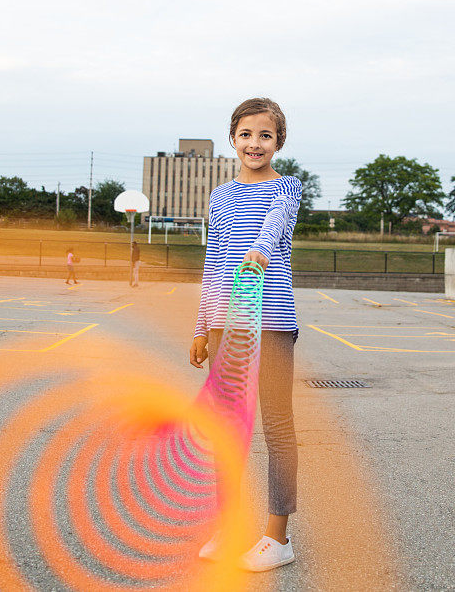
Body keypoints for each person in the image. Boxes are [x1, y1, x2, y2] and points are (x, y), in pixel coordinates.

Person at [190, 98, 302, 572]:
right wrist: (201, 327)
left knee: (276, 425)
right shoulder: (220, 196)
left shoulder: (288, 187)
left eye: (266, 136)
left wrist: (257, 250)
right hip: (223, 325)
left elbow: (276, 228)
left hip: (270, 323)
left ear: (278, 142)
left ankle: (278, 536)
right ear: (232, 138)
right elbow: (214, 262)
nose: (255, 143)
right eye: (246, 134)